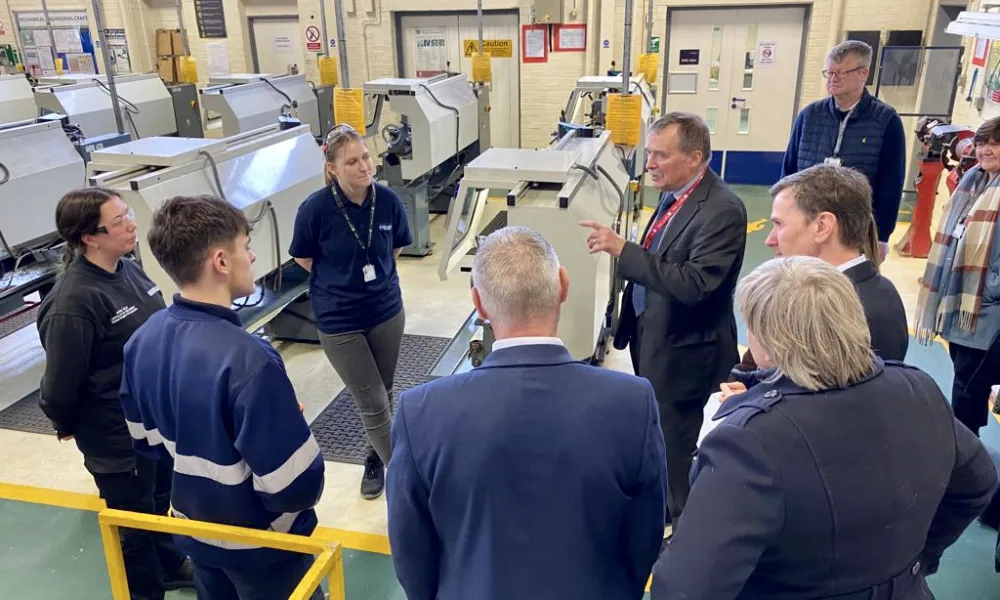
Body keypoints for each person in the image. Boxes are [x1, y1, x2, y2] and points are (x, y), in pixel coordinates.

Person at [651, 256, 998, 600]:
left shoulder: (747, 443)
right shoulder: (917, 389)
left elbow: (685, 587)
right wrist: (917, 559)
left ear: (771, 346)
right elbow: (978, 481)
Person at [386, 227, 667, 600]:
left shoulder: (421, 412)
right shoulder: (632, 403)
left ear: (479, 304)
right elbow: (644, 538)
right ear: (563, 285)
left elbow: (411, 552)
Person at [119, 195, 325, 600]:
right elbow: (296, 484)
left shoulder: (142, 340)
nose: (251, 256)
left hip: (196, 531)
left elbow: (147, 442)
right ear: (221, 261)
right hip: (264, 550)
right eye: (245, 246)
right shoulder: (250, 361)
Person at [582, 111, 747, 523]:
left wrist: (624, 251)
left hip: (686, 351)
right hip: (654, 337)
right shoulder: (678, 194)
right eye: (649, 153)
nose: (650, 164)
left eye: (661, 155)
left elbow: (694, 284)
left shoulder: (722, 210)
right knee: (661, 431)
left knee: (676, 444)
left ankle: (680, 520)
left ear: (695, 158)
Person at [36, 187, 193, 600]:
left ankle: (170, 566)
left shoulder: (127, 269)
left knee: (159, 502)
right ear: (90, 236)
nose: (131, 224)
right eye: (119, 220)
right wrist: (67, 424)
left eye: (127, 214)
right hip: (115, 437)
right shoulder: (75, 301)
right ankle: (144, 593)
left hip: (152, 421)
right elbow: (58, 385)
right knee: (133, 523)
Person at [289, 124, 412, 500]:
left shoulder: (388, 201)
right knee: (371, 399)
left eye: (365, 157)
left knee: (384, 389)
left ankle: (374, 454)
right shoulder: (315, 210)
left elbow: (394, 251)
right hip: (339, 320)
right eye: (352, 161)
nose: (364, 167)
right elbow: (303, 256)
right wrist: (340, 283)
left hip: (386, 311)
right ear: (333, 169)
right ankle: (407, 478)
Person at [728, 164, 908, 384]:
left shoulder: (832, 311)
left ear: (823, 226)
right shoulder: (882, 292)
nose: (770, 240)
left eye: (779, 225)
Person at [781, 40, 906, 261]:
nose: (832, 79)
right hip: (808, 226)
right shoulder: (809, 116)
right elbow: (789, 171)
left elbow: (891, 184)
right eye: (829, 73)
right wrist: (784, 221)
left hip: (855, 233)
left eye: (841, 72)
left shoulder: (886, 121)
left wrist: (882, 237)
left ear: (863, 74)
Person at [916, 117, 1000, 438]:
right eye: (980, 143)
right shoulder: (973, 183)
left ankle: (965, 449)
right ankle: (967, 441)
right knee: (964, 377)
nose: (984, 150)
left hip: (986, 307)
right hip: (962, 302)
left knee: (968, 384)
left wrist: (992, 291)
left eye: (993, 143)